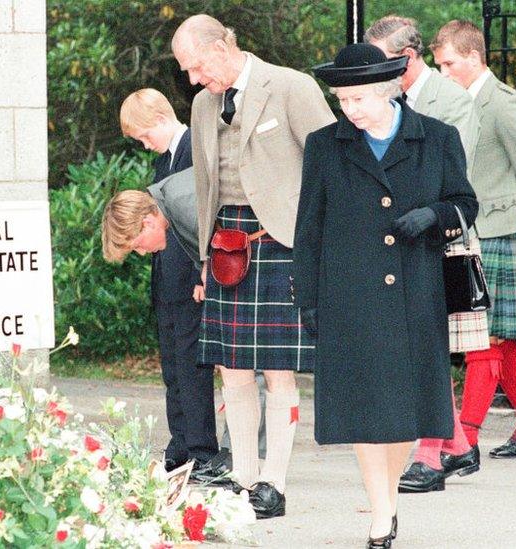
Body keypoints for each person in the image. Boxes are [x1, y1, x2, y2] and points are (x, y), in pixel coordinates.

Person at [295, 43, 478, 548]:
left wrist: (435, 216)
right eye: (342, 101)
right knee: (363, 411)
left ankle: (387, 498)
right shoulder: (324, 145)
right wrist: (307, 298)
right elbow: (309, 226)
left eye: (357, 99)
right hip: (348, 295)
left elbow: (465, 202)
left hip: (415, 294)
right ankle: (381, 513)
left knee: (403, 412)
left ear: (388, 91)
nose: (348, 110)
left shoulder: (438, 138)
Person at [171, 14, 336, 519]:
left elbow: (329, 163)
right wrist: (202, 259)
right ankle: (242, 478)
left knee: (277, 372)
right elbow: (204, 188)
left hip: (279, 242)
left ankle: (274, 482)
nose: (195, 79)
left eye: (198, 66)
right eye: (187, 72)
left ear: (223, 46)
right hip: (225, 247)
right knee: (233, 372)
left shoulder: (290, 87)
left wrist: (322, 244)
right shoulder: (203, 105)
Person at [365, 14, 484, 494]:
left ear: (406, 59)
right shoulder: (376, 100)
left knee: (429, 346)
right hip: (395, 238)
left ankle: (431, 454)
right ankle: (456, 443)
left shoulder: (452, 102)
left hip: (440, 237)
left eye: (377, 63)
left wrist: (423, 215)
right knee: (415, 345)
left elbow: (457, 178)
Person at [431, 20, 516, 459]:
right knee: (500, 336)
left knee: (483, 339)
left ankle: (465, 438)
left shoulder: (504, 104)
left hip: (502, 230)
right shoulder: (458, 103)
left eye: (448, 63)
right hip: (471, 231)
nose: (443, 73)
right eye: (438, 65)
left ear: (473, 56)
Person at [107, 89, 218, 477]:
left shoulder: (193, 148)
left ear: (158, 119)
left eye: (143, 135)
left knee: (192, 369)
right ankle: (182, 442)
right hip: (166, 280)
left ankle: (203, 449)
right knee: (173, 370)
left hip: (191, 277)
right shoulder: (163, 162)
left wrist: (202, 273)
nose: (144, 144)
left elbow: (197, 219)